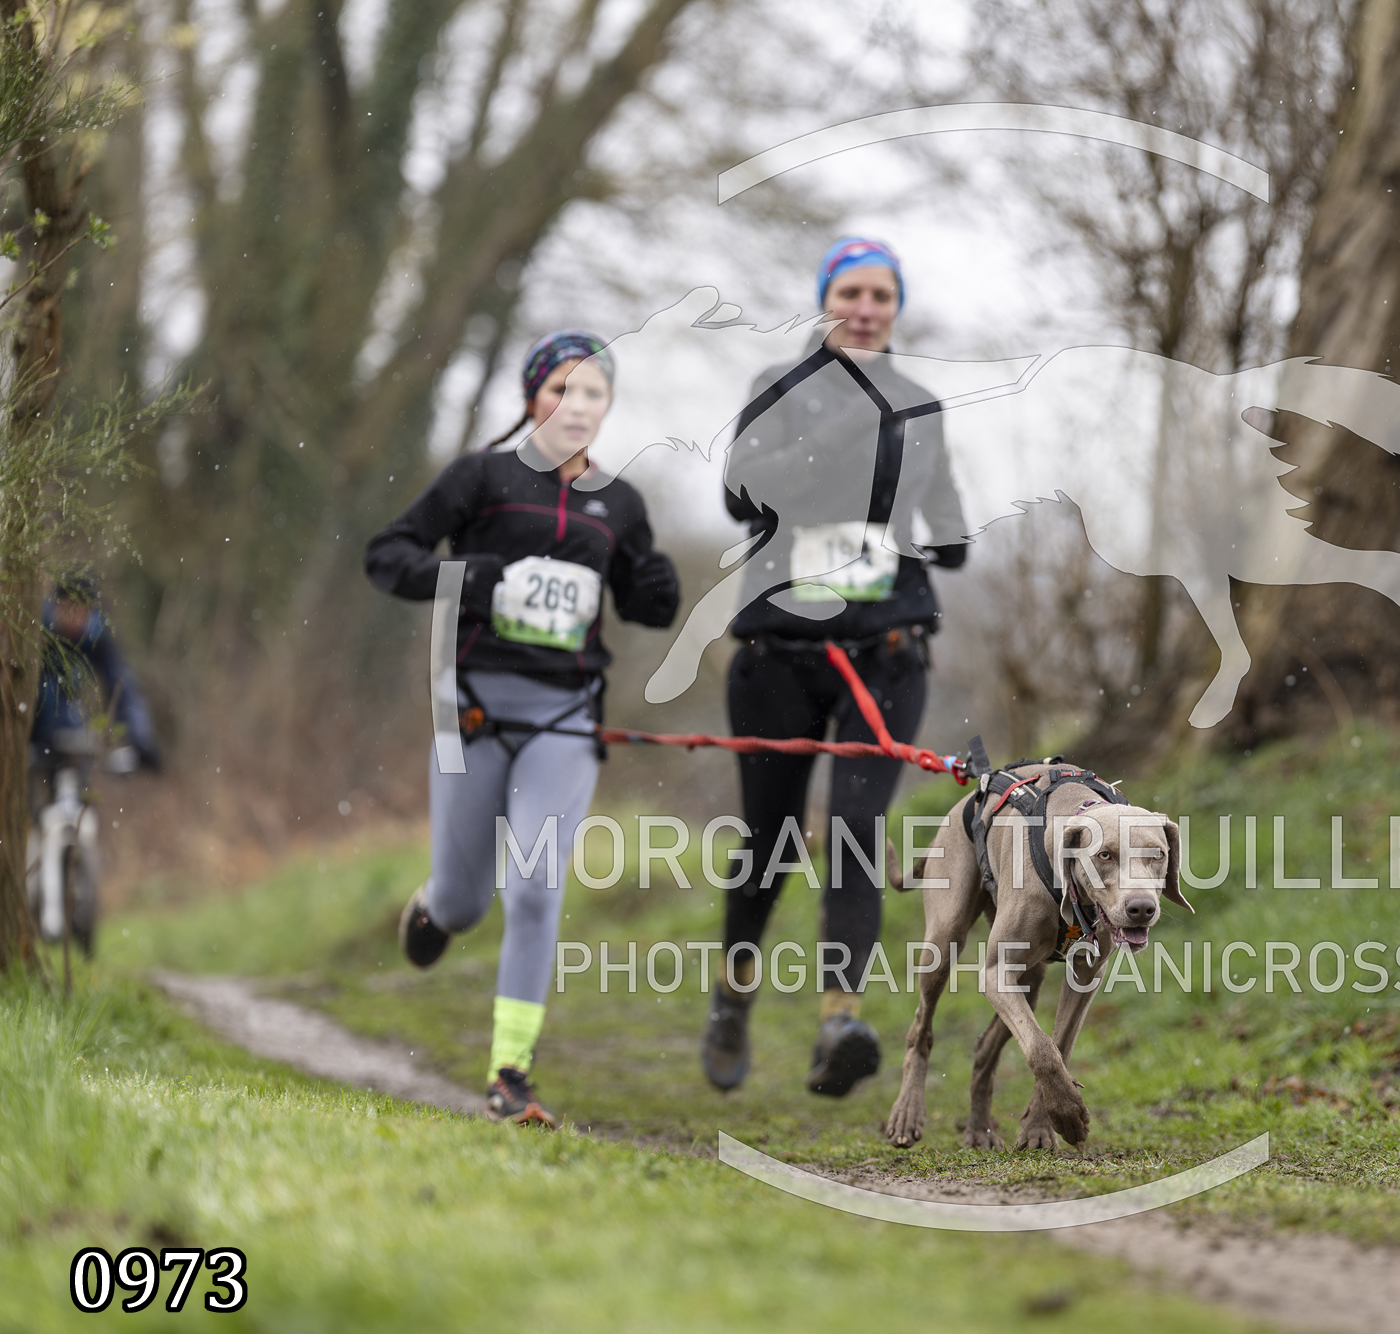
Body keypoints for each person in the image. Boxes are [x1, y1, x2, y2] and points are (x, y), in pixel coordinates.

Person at [365, 330, 680, 1127]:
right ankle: (435, 907)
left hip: (565, 717)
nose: (575, 405)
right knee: (466, 902)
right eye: (559, 389)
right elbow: (387, 556)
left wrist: (657, 589)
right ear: (531, 397)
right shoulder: (480, 477)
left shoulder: (620, 503)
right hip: (469, 710)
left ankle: (511, 1074)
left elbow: (642, 599)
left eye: (592, 392)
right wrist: (467, 578)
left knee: (536, 889)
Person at [702, 237, 969, 1097]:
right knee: (770, 842)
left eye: (880, 296)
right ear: (825, 300)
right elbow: (741, 496)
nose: (864, 309)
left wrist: (950, 533)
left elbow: (944, 519)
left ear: (896, 307)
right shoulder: (777, 387)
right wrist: (849, 424)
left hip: (885, 654)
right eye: (850, 292)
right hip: (779, 654)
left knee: (855, 830)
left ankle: (838, 1024)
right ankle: (733, 995)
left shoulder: (920, 404)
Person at [30, 573, 163, 803]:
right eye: (67, 608)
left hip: (72, 736)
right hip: (30, 730)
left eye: (80, 610)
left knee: (74, 798)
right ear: (55, 605)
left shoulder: (97, 635)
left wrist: (141, 740)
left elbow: (122, 685)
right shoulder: (34, 628)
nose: (73, 618)